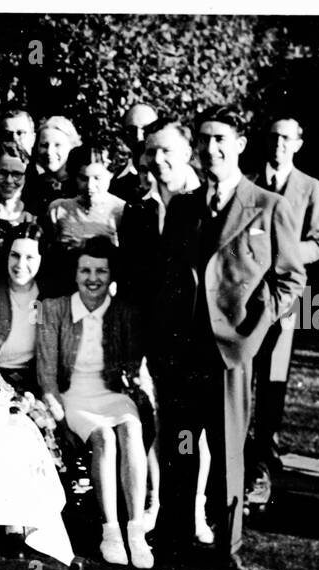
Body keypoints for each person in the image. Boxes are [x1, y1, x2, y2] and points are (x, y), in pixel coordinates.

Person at [152, 104, 306, 566]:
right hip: (182, 353)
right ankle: (175, 537)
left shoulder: (269, 206)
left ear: (240, 145)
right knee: (179, 448)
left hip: (230, 356)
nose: (211, 148)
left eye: (221, 139)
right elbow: (168, 276)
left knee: (227, 452)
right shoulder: (183, 207)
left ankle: (226, 546)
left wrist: (254, 330)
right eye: (203, 139)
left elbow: (290, 279)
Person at [37, 238, 152, 568]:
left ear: (111, 275)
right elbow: (46, 373)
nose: (93, 278)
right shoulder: (53, 308)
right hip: (73, 395)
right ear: (74, 274)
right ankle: (110, 530)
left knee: (130, 427)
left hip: (112, 394)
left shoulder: (124, 312)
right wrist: (56, 410)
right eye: (85, 270)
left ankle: (136, 531)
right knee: (103, 436)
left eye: (101, 271)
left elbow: (131, 369)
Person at [118, 116, 203, 536]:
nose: (158, 158)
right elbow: (132, 286)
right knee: (162, 425)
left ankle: (195, 512)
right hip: (155, 336)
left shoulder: (206, 204)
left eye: (167, 150)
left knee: (196, 429)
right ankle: (161, 508)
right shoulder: (137, 210)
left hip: (201, 336)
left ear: (188, 152)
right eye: (152, 150)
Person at [245, 116, 319, 508]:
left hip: (286, 295)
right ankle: (239, 461)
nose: (279, 144)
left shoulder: (310, 187)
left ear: (298, 143)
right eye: (274, 137)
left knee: (273, 381)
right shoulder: (247, 180)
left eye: (287, 138)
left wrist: (287, 254)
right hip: (246, 292)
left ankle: (262, 463)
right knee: (242, 373)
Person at [0, 223, 63, 470]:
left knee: (47, 423)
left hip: (34, 378)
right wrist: (7, 389)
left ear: (42, 259)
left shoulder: (45, 298)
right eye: (15, 255)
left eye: (30, 257)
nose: (21, 265)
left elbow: (47, 350)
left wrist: (42, 390)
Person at [43, 142, 127, 296]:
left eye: (97, 178)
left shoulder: (121, 211)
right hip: (66, 290)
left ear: (111, 174)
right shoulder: (58, 209)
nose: (90, 186)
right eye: (83, 178)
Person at [0, 141, 39, 239]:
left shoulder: (32, 219)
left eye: (17, 174)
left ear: (26, 177)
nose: (9, 180)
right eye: (2, 173)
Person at [25, 115, 80, 213]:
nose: (49, 151)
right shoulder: (31, 185)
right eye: (44, 145)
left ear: (72, 147)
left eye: (57, 145)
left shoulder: (81, 186)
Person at [111, 102, 159, 203]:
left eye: (146, 129)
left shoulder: (170, 174)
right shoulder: (117, 182)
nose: (139, 137)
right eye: (132, 130)